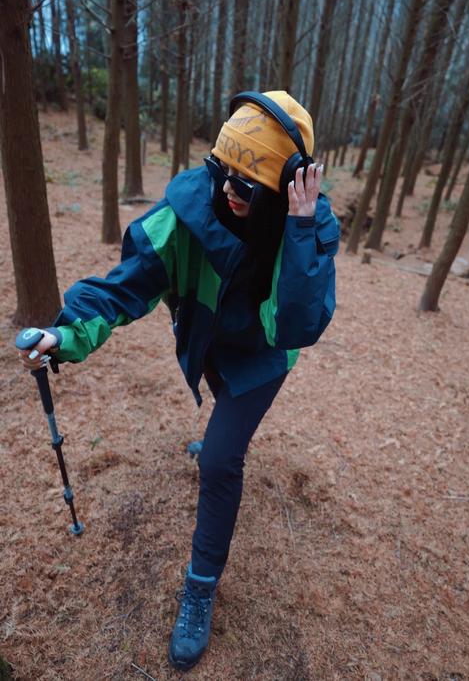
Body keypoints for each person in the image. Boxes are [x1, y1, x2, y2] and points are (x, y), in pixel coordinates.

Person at [19, 90, 339, 671]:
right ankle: (221, 433)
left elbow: (295, 323)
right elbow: (125, 285)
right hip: (211, 339)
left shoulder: (306, 233)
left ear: (288, 184)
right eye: (222, 173)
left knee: (219, 462)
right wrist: (63, 336)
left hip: (265, 356)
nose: (226, 193)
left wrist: (297, 229)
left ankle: (200, 586)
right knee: (221, 420)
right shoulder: (187, 213)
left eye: (246, 186)